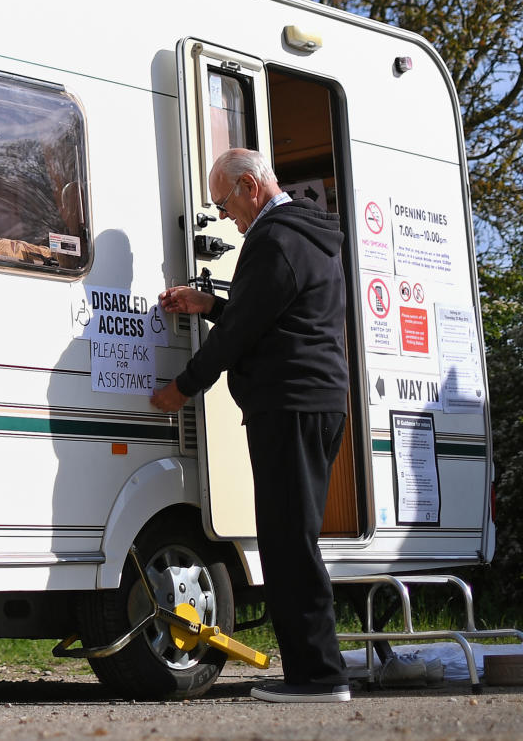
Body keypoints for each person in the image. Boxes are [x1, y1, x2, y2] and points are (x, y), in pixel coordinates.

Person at [150, 148, 352, 703]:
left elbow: (241, 332)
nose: (225, 217)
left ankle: (317, 677)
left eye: (223, 203)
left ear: (249, 187)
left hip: (288, 404)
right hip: (318, 401)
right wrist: (209, 301)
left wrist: (182, 387)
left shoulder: (274, 239)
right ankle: (317, 671)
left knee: (289, 543)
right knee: (294, 537)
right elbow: (267, 310)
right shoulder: (308, 235)